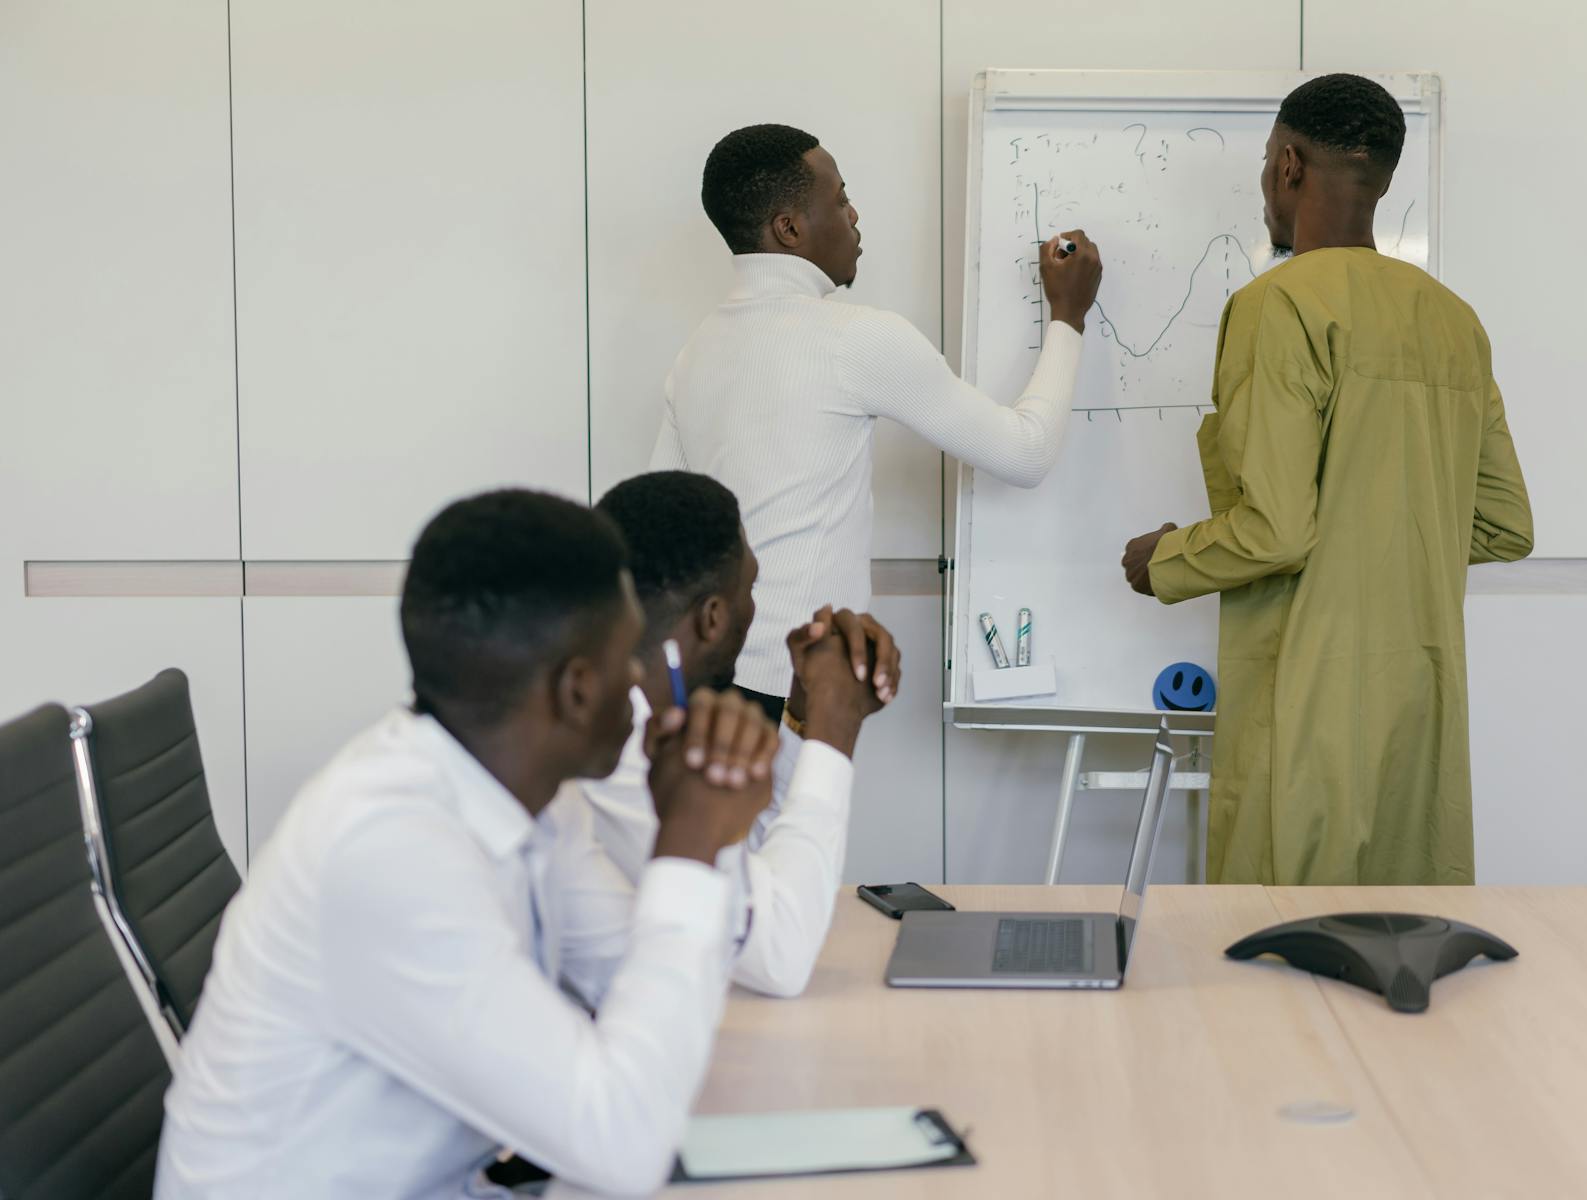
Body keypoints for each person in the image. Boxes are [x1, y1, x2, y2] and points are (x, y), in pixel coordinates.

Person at [156, 489, 785, 1198]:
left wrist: (706, 822)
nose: (643, 678)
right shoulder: (390, 853)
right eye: (627, 658)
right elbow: (622, 1144)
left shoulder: (537, 800)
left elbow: (642, 981)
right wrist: (692, 844)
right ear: (577, 691)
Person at [1119, 74, 1533, 887]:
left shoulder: (1279, 306)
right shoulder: (1455, 322)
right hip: (1420, 711)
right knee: (1401, 958)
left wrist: (1164, 559)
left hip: (1306, 713)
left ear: (1288, 165)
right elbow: (1503, 527)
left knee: (1280, 965)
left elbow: (1276, 529)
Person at [653, 123, 1104, 718]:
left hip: (705, 693)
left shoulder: (696, 352)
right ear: (789, 228)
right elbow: (1025, 453)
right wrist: (1068, 317)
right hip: (794, 690)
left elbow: (662, 535)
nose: (854, 213)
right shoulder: (857, 338)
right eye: (839, 198)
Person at [587, 470, 899, 998]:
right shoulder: (615, 762)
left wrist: (801, 720)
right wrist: (834, 728)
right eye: (749, 587)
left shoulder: (635, 724)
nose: (753, 609)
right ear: (712, 617)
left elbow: (746, 881)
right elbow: (779, 955)